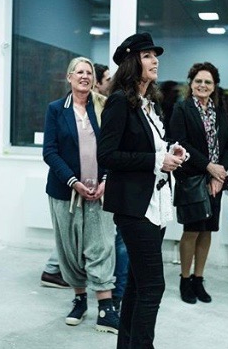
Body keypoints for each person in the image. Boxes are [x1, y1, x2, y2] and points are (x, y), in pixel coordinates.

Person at [98, 32, 187, 348]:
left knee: (137, 285)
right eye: (147, 55)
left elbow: (149, 145)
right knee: (153, 287)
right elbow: (107, 155)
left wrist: (170, 151)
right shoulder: (119, 101)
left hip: (155, 203)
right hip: (134, 207)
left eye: (155, 55)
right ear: (131, 62)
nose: (155, 61)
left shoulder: (150, 103)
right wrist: (155, 160)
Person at [43, 57, 118, 334]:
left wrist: (106, 180)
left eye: (89, 73)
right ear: (69, 77)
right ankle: (79, 299)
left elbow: (114, 146)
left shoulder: (103, 106)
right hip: (65, 192)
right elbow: (49, 151)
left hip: (101, 192)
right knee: (70, 248)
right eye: (80, 72)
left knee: (102, 245)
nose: (85, 76)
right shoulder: (55, 109)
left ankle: (106, 307)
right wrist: (73, 182)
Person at [169, 62, 228, 304]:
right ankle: (185, 279)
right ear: (191, 84)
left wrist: (219, 174)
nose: (202, 85)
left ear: (214, 86)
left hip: (215, 180)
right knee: (192, 230)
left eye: (208, 82)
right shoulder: (182, 109)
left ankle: (198, 278)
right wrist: (208, 167)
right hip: (193, 179)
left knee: (207, 231)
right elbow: (180, 143)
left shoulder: (219, 110)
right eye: (198, 81)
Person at [93, 62, 129, 311]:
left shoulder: (112, 105)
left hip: (112, 183)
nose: (109, 82)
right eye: (106, 79)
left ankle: (118, 292)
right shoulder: (106, 107)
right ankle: (110, 293)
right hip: (96, 183)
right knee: (108, 242)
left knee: (119, 242)